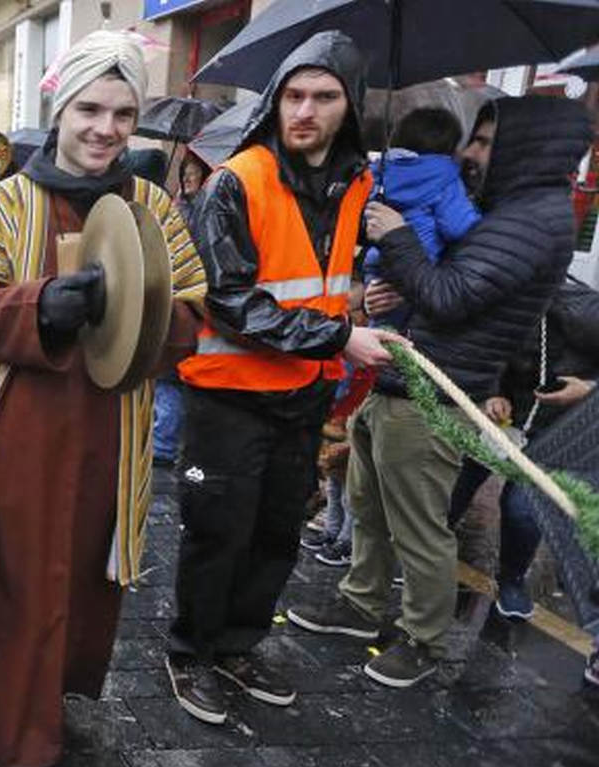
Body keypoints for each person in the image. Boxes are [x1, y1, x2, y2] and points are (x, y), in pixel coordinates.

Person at [0, 31, 206, 767]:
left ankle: (39, 709)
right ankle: (27, 758)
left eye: (124, 114)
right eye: (91, 108)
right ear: (60, 110)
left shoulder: (155, 209)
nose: (105, 128)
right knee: (29, 582)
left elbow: (193, 316)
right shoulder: (4, 203)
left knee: (77, 580)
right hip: (23, 428)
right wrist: (42, 307)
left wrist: (144, 318)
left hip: (112, 432)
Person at [290, 95, 590, 688]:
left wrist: (397, 238)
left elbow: (449, 296)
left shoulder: (532, 220)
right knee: (370, 504)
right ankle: (360, 603)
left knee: (419, 526)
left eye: (483, 142)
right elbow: (448, 284)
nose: (469, 154)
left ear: (524, 148)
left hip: (434, 391)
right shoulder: (503, 209)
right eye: (472, 141)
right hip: (403, 373)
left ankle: (424, 638)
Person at [166, 31, 405, 721]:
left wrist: (361, 298)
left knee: (276, 532)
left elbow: (315, 278)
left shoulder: (356, 181)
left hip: (303, 393)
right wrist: (340, 335)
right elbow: (230, 298)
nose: (305, 110)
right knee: (218, 531)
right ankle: (190, 652)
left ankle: (239, 645)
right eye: (294, 95)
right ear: (275, 101)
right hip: (227, 396)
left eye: (324, 97)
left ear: (349, 107)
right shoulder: (236, 181)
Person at [450, 277, 599, 620]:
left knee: (522, 509)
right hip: (505, 420)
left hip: (555, 426)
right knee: (455, 485)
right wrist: (492, 392)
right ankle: (425, 556)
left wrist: (590, 389)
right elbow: (486, 355)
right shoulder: (500, 305)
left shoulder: (585, 312)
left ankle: (512, 579)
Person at [361, 107, 480, 330]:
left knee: (381, 324)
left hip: (377, 261)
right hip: (417, 265)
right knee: (401, 338)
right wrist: (481, 219)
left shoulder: (380, 168)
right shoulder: (445, 174)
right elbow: (456, 227)